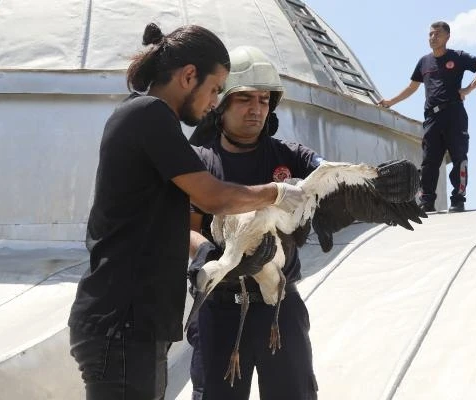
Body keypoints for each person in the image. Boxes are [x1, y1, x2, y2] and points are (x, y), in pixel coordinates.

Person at [67, 24, 304, 400]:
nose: (214, 103)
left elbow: (168, 224)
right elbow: (212, 197)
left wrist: (211, 253)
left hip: (135, 325)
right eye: (215, 89)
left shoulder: (151, 121)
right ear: (188, 75)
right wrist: (277, 192)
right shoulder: (149, 114)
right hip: (122, 323)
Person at [185, 46, 321, 400]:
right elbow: (184, 226)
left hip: (280, 307)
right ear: (221, 104)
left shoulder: (291, 158)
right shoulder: (198, 163)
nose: (256, 108)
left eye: (264, 100)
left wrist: (374, 180)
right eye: (244, 98)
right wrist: (211, 254)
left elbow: (329, 173)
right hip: (220, 308)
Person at [379, 21, 476, 212]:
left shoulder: (458, 56)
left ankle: (458, 199)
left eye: (437, 34)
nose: (433, 38)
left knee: (459, 157)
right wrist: (390, 102)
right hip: (431, 118)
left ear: (447, 36)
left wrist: (468, 89)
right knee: (429, 161)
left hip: (454, 113)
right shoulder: (424, 62)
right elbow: (412, 87)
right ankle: (427, 201)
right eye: (430, 34)